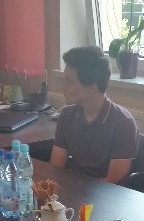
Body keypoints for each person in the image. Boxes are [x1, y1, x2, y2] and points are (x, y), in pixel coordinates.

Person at [50, 46, 138, 184]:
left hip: (102, 195)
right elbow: (56, 170)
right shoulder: (67, 115)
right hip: (71, 190)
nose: (63, 86)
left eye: (69, 80)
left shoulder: (123, 123)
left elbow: (112, 184)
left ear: (91, 88)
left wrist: (73, 188)